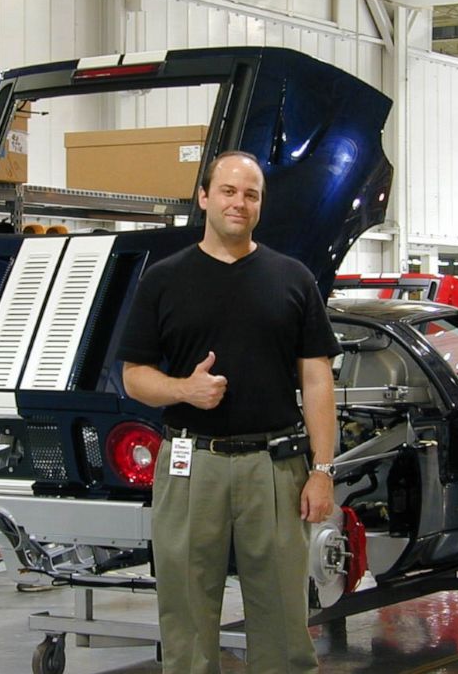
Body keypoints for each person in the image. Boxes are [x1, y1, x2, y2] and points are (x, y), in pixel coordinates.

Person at [118, 150, 340, 673]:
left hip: (276, 469)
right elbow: (134, 378)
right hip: (192, 467)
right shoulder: (164, 281)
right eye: (228, 191)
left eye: (251, 194)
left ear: (260, 204)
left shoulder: (293, 279)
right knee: (188, 616)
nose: (239, 202)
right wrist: (184, 391)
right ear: (203, 197)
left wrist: (323, 470)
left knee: (284, 617)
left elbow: (316, 379)